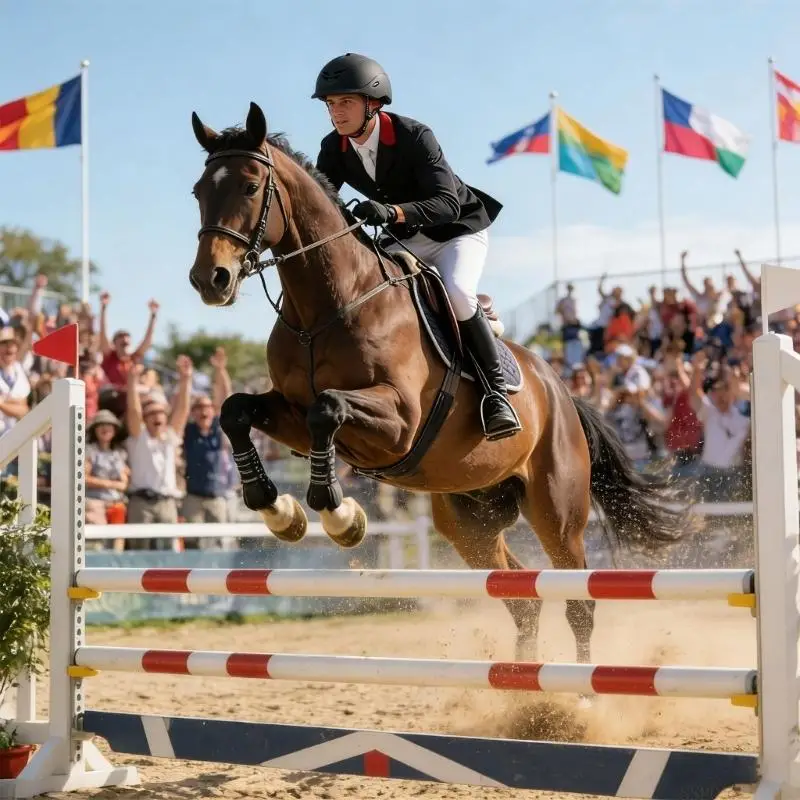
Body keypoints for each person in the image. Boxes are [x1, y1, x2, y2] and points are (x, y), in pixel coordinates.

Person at [312, 53, 521, 441]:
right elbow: (320, 205)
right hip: (404, 239)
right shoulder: (334, 148)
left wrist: (391, 212)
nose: (336, 113)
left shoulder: (414, 136)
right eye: (331, 104)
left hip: (455, 232)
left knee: (457, 291)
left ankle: (496, 395)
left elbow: (447, 204)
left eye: (346, 102)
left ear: (372, 104)